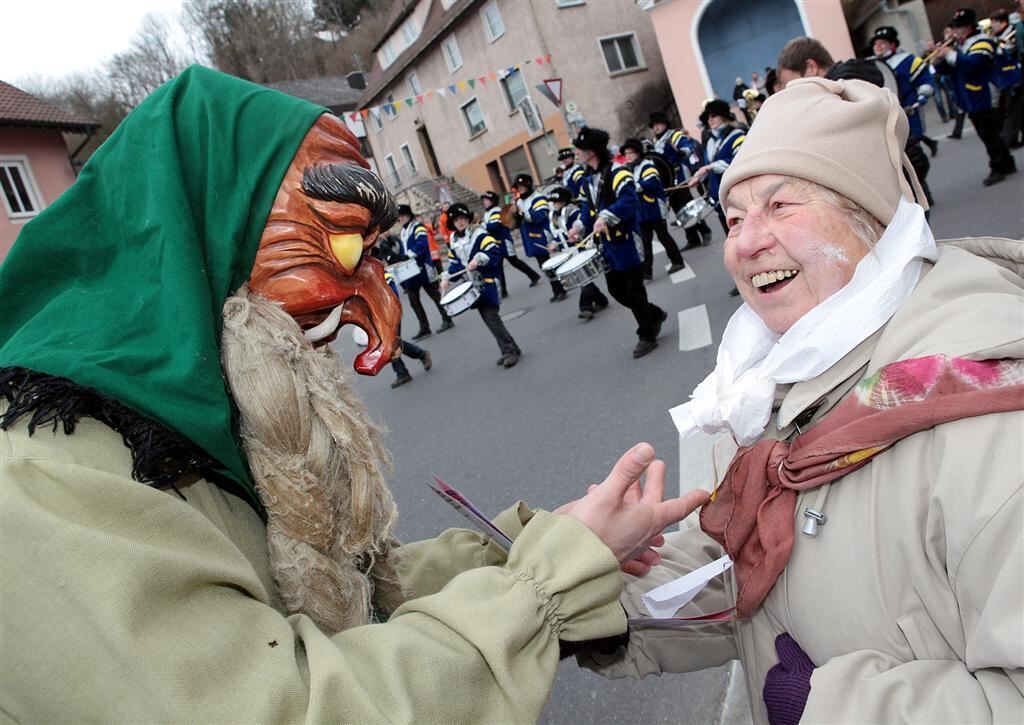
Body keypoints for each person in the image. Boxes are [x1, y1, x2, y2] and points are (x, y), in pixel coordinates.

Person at [0, 65, 713, 723]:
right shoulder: (46, 478)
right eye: (345, 247)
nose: (376, 313)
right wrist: (542, 583)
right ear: (213, 238)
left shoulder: (189, 413)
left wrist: (532, 548)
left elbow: (352, 595)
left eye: (377, 255)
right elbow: (301, 702)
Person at [577, 76, 1023, 724]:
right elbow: (752, 577)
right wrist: (591, 598)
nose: (744, 241)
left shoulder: (993, 436)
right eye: (733, 218)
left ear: (867, 218)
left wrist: (830, 709)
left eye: (780, 205)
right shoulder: (782, 388)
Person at [569, 126, 668, 359]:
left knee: (634, 290)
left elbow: (629, 201)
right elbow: (587, 208)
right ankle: (653, 314)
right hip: (607, 246)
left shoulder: (618, 172)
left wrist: (606, 217)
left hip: (627, 242)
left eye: (580, 150)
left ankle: (647, 334)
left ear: (592, 151)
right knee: (616, 290)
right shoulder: (587, 178)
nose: (577, 154)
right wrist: (579, 226)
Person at [930, 8, 1019, 186]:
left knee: (989, 134)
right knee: (988, 133)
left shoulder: (982, 41)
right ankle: (1007, 163)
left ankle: (998, 166)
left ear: (970, 27)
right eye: (954, 27)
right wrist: (939, 60)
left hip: (985, 94)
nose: (955, 32)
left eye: (959, 27)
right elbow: (949, 71)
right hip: (969, 96)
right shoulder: (959, 46)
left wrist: (950, 54)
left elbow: (974, 64)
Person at [441, 203, 522, 367]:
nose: (460, 222)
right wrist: (446, 278)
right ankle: (511, 347)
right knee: (490, 319)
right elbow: (455, 265)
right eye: (456, 220)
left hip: (489, 283)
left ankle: (509, 351)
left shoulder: (480, 235)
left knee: (492, 318)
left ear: (468, 219)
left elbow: (493, 253)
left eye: (462, 218)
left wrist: (478, 259)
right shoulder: (454, 241)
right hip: (473, 287)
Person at [620, 138, 686, 280]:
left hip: (654, 208)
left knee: (663, 236)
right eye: (626, 154)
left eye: (631, 153)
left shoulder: (647, 165)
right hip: (642, 212)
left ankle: (677, 261)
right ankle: (647, 272)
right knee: (645, 242)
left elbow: (652, 183)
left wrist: (635, 186)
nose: (628, 156)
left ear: (638, 153)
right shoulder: (629, 169)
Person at [870, 26, 940, 157]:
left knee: (912, 140)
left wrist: (922, 96)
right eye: (875, 43)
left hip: (907, 106)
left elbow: (925, 80)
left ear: (892, 44)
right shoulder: (871, 64)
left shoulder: (908, 60)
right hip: (886, 109)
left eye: (882, 42)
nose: (878, 46)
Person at [648, 111, 712, 248]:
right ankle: (692, 238)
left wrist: (682, 152)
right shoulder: (655, 142)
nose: (656, 127)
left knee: (687, 207)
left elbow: (688, 147)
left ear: (665, 124)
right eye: (654, 125)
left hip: (679, 176)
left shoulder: (673, 135)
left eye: (658, 124)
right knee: (678, 210)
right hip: (667, 180)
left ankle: (705, 231)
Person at [548, 185, 609, 320]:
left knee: (583, 279)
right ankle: (601, 300)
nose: (554, 205)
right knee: (583, 278)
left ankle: (586, 307)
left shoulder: (574, 213)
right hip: (567, 251)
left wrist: (577, 235)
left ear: (564, 201)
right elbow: (558, 235)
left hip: (580, 249)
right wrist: (554, 245)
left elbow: (584, 228)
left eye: (556, 202)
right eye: (553, 202)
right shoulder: (554, 217)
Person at [687, 99, 745, 233]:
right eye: (708, 117)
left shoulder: (738, 137)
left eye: (714, 116)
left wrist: (710, 167)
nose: (710, 120)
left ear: (724, 117)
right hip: (720, 200)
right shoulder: (712, 141)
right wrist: (699, 177)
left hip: (736, 199)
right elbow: (708, 165)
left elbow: (738, 163)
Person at [397, 203, 454, 339]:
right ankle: (424, 327)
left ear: (409, 215)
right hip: (410, 272)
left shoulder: (418, 227)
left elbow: (422, 245)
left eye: (403, 215)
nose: (402, 218)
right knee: (413, 300)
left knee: (435, 295)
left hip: (423, 269)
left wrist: (409, 255)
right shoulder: (404, 231)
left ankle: (447, 318)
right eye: (400, 216)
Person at [513, 172, 568, 302]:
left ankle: (561, 289)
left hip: (543, 236)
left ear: (528, 185)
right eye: (518, 187)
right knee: (543, 266)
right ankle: (556, 289)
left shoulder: (538, 198)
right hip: (531, 238)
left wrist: (523, 215)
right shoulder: (519, 201)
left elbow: (539, 217)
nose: (520, 189)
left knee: (550, 265)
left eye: (522, 186)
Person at [480, 189, 541, 296]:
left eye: (487, 200)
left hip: (504, 241)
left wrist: (483, 226)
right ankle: (503, 291)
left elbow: (495, 226)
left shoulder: (496, 211)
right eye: (484, 200)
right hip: (495, 243)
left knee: (514, 261)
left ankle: (533, 275)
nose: (484, 202)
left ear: (492, 201)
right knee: (498, 266)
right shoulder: (488, 212)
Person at [383, 264, 433, 388]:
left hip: (391, 314)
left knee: (390, 344)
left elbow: (392, 295)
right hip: (379, 317)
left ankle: (403, 372)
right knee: (392, 343)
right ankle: (419, 356)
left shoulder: (383, 275)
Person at [989, 8, 1023, 148]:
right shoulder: (996, 35)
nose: (992, 26)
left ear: (1002, 22)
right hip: (1002, 79)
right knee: (1010, 109)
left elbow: (1011, 52)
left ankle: (1009, 139)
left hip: (1013, 77)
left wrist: (999, 48)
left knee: (1011, 110)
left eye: (994, 22)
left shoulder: (1012, 31)